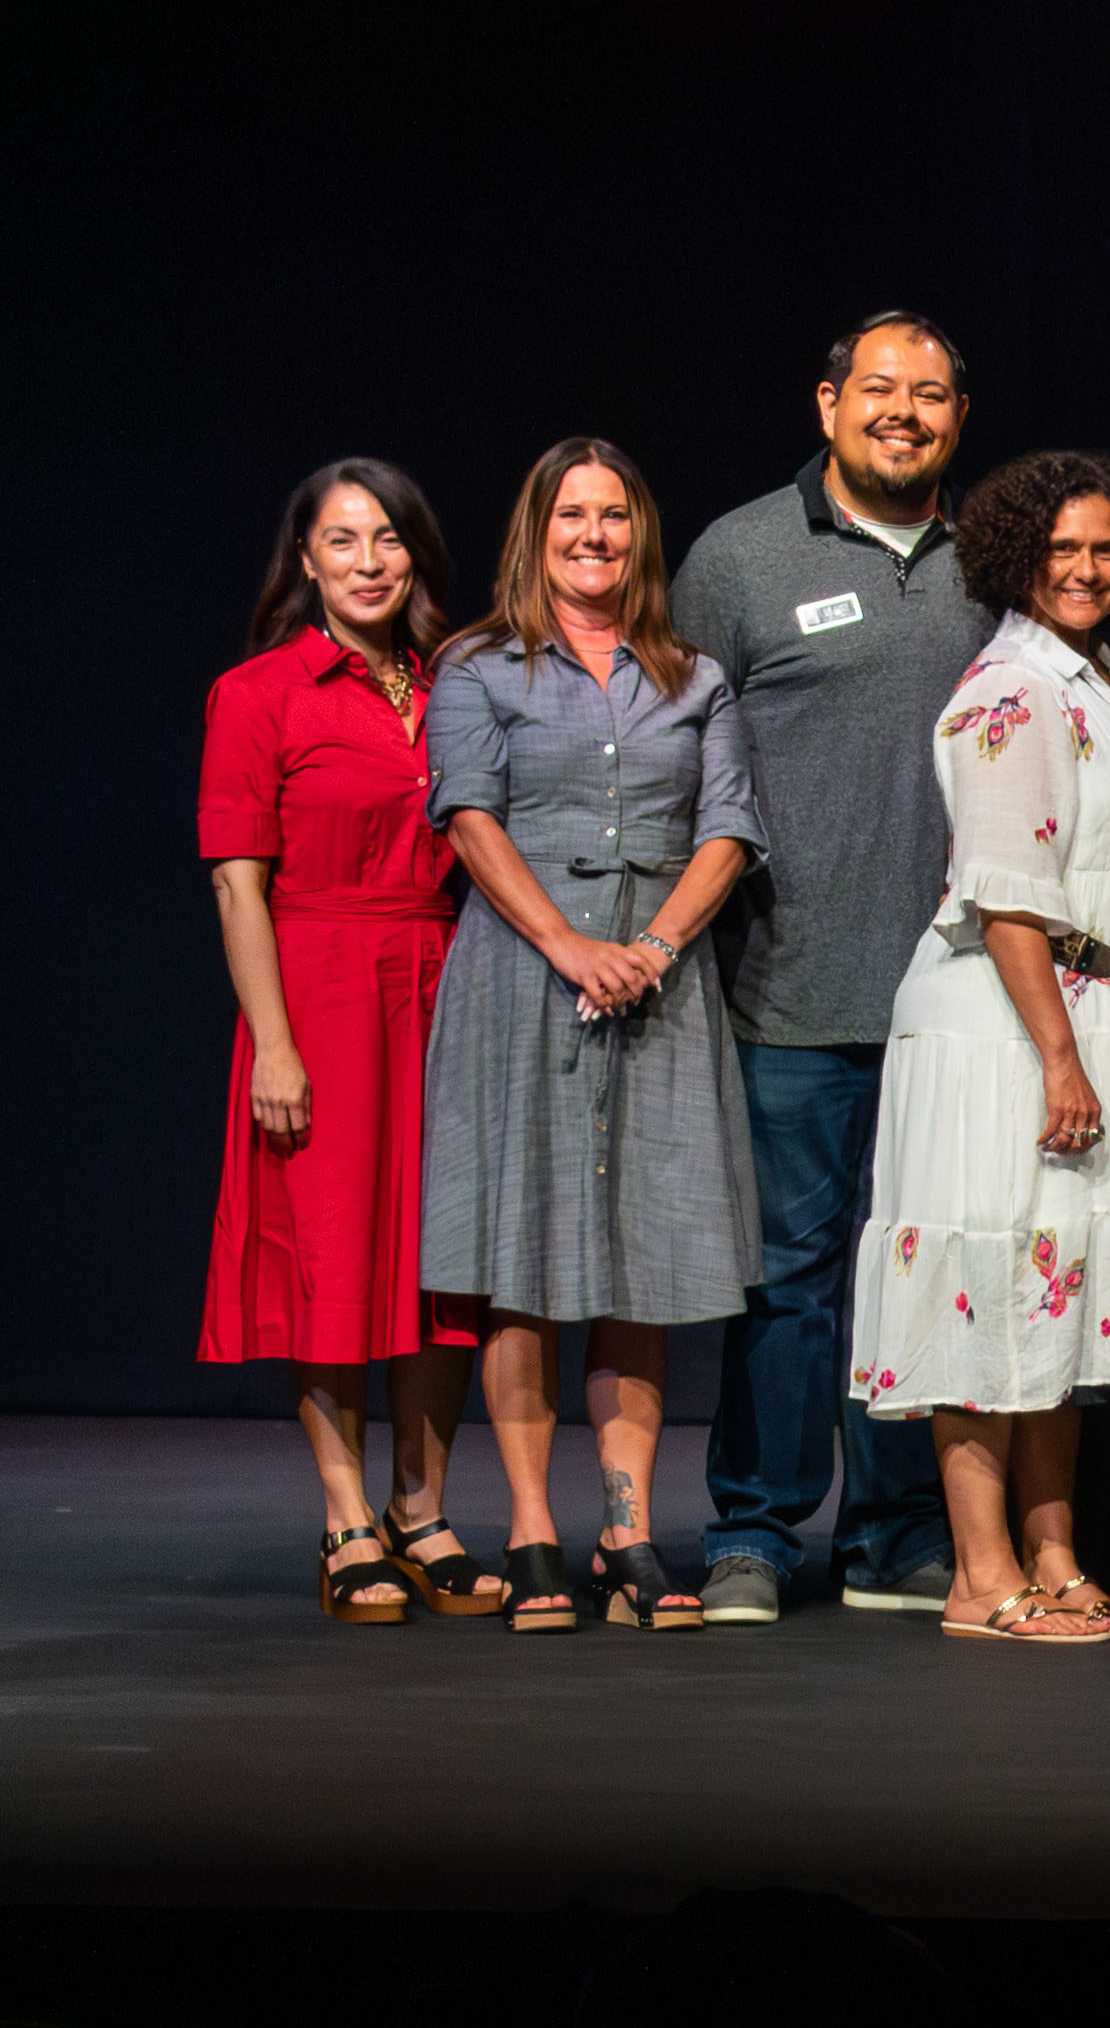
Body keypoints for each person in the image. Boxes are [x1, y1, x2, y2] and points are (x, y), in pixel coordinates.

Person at [847, 450, 1110, 1646]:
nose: (1087, 570)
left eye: (1105, 548)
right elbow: (1006, 895)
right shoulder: (1013, 685)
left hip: (1106, 1005)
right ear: (1015, 557)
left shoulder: (1105, 677)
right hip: (1014, 1022)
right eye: (1062, 551)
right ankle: (980, 1572)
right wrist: (1060, 1055)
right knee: (990, 1291)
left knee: (1064, 1295)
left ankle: (1053, 1555)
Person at [422, 440, 761, 1632]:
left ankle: (627, 1528)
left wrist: (654, 949)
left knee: (645, 1269)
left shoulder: (697, 676)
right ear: (538, 529)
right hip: (525, 976)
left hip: (661, 983)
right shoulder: (478, 667)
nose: (595, 536)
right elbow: (469, 816)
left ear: (640, 534)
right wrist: (570, 945)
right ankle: (528, 1529)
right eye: (574, 515)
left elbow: (727, 828)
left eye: (615, 517)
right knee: (525, 1264)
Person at [673, 313, 975, 1623]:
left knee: (917, 1270)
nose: (900, 411)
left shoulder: (1000, 556)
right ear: (827, 402)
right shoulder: (739, 558)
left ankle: (898, 1529)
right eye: (877, 390)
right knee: (787, 1276)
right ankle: (753, 1527)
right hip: (785, 989)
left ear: (959, 417)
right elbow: (680, 763)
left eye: (929, 394)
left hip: (960, 1003)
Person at [204, 460, 491, 1623]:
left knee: (444, 1263)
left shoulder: (457, 687)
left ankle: (422, 1510)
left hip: (446, 985)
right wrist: (274, 1042)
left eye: (387, 538)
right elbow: (237, 881)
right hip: (317, 986)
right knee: (329, 1260)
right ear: (307, 561)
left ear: (414, 553)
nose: (368, 560)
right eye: (343, 540)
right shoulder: (259, 690)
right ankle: (342, 1518)